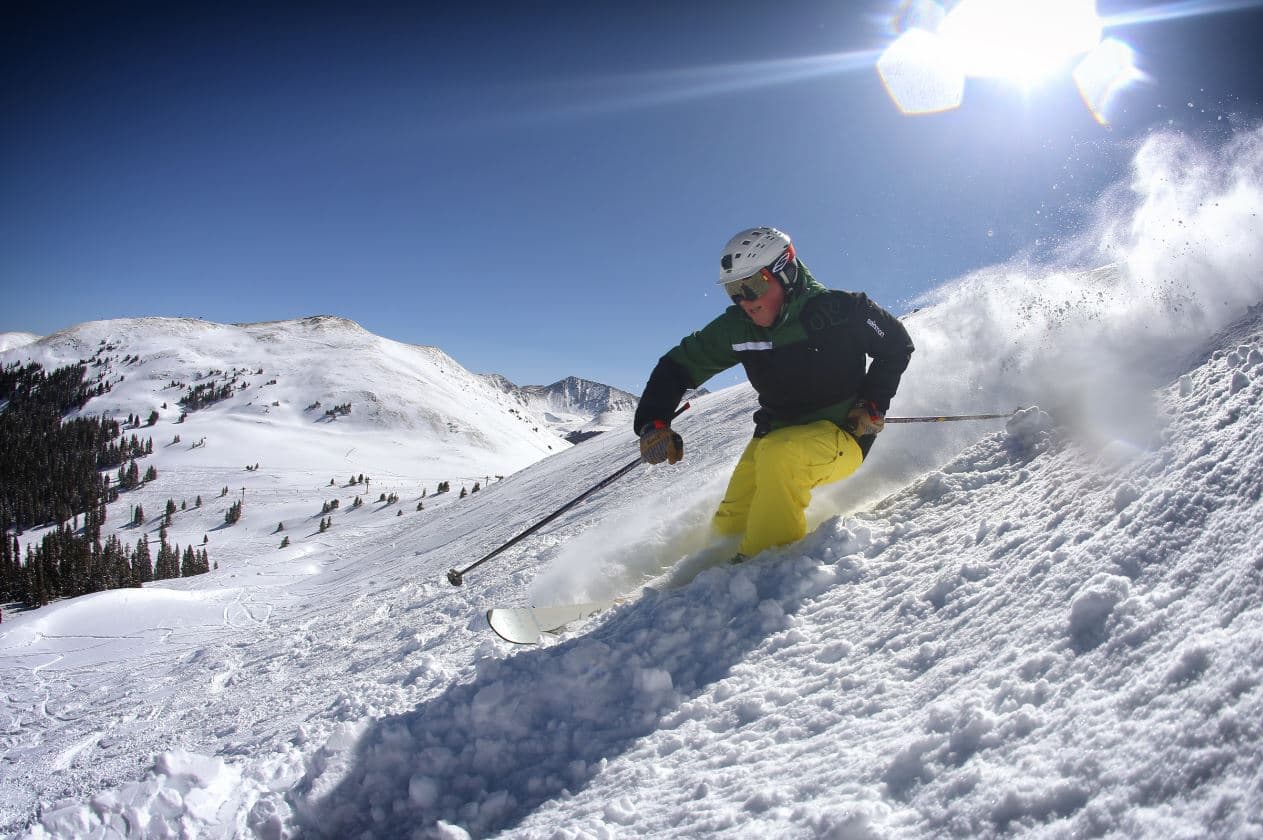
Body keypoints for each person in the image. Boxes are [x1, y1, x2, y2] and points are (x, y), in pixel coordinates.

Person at [633, 226, 914, 560]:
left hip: (843, 433)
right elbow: (677, 366)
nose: (744, 302)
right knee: (733, 519)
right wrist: (654, 422)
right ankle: (708, 573)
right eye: (734, 291)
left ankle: (760, 569)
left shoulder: (843, 311)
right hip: (774, 434)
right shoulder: (738, 327)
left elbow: (896, 346)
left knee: (781, 459)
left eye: (752, 286)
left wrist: (872, 403)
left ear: (787, 271)